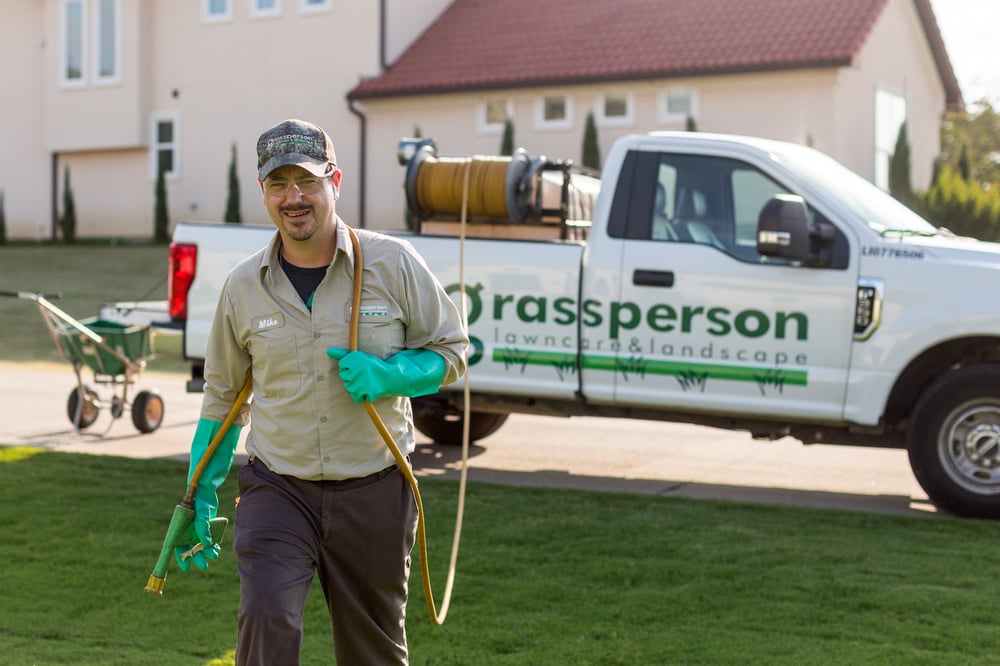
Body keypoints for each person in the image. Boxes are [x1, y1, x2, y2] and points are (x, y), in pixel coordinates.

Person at [175, 118, 469, 665]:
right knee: (267, 616)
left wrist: (391, 375)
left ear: (334, 180)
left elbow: (452, 352)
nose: (294, 197)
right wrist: (200, 489)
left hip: (376, 487)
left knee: (372, 649)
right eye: (279, 184)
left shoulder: (393, 263)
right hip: (278, 489)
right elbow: (223, 395)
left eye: (307, 181)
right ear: (262, 190)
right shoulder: (243, 286)